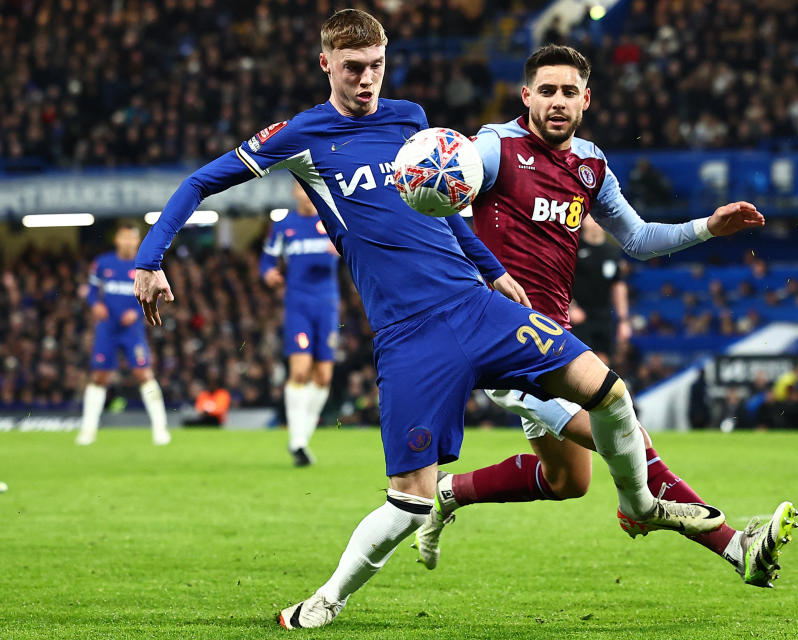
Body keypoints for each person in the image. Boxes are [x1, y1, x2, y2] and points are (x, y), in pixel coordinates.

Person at [133, 11, 727, 629]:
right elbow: (199, 183)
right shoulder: (301, 135)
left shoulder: (411, 120)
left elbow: (443, 209)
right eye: (353, 68)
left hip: (477, 305)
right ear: (326, 65)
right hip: (409, 335)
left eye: (377, 66)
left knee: (608, 392)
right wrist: (150, 260)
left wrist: (490, 267)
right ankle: (324, 601)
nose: (367, 80)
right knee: (410, 502)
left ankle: (639, 504)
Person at [414, 45, 796, 590]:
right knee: (623, 430)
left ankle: (447, 494)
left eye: (569, 91)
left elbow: (637, 238)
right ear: (526, 96)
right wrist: (481, 268)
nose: (557, 101)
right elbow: (443, 204)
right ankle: (738, 548)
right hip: (500, 340)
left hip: (552, 340)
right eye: (546, 90)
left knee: (568, 479)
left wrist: (707, 226)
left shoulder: (590, 165)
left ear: (586, 99)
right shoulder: (495, 148)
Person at [261, 181, 341, 466]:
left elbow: (355, 249)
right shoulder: (284, 226)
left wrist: (342, 248)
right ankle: (297, 441)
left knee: (323, 377)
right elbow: (267, 260)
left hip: (328, 305)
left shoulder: (332, 220)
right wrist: (269, 273)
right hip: (298, 305)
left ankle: (302, 441)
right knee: (300, 371)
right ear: (294, 192)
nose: (306, 195)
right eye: (300, 189)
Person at [77, 222, 170, 446]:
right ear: (117, 239)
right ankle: (88, 430)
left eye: (132, 238)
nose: (128, 242)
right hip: (107, 327)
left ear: (138, 241)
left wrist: (138, 312)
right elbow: (91, 291)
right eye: (124, 237)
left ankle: (160, 428)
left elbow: (153, 294)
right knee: (99, 376)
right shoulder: (103, 263)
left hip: (131, 329)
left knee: (143, 374)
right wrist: (94, 305)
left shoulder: (145, 265)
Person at [569, 214, 631, 363]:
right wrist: (570, 307)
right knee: (580, 362)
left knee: (603, 362)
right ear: (582, 219)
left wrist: (624, 320)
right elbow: (561, 280)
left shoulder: (612, 252)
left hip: (603, 315)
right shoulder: (574, 248)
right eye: (591, 216)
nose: (596, 221)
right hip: (579, 316)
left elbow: (618, 286)